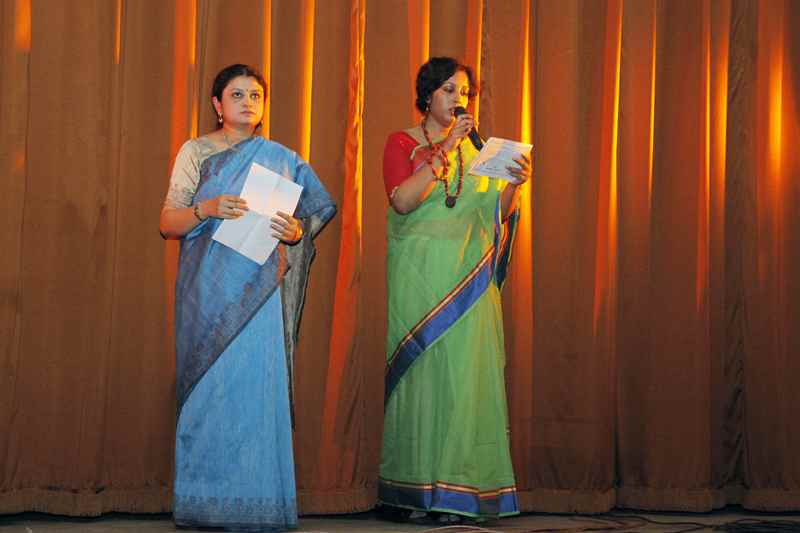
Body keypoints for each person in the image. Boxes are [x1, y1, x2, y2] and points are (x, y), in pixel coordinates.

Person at [159, 64, 336, 532]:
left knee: (255, 399)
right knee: (210, 397)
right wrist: (206, 209)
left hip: (259, 298)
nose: (247, 102)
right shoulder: (196, 152)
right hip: (207, 297)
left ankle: (259, 505)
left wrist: (294, 232)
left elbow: (309, 221)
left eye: (255, 95)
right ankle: (206, 505)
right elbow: (168, 223)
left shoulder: (281, 160)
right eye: (236, 94)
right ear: (217, 104)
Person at [378, 56, 531, 523]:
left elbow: (495, 214)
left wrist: (515, 186)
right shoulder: (403, 142)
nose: (459, 99)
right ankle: (410, 491)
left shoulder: (481, 153)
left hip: (469, 281)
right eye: (449, 89)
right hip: (420, 276)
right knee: (423, 380)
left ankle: (458, 493)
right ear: (427, 95)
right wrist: (446, 147)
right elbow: (403, 201)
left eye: (464, 92)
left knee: (465, 384)